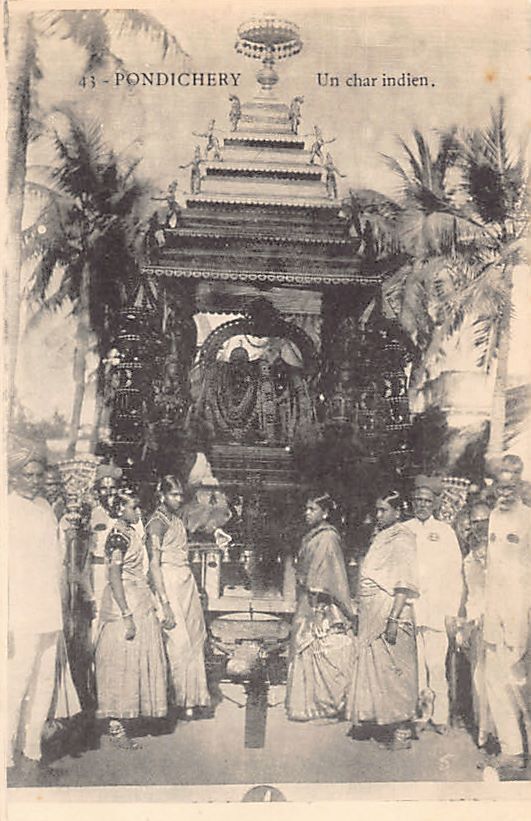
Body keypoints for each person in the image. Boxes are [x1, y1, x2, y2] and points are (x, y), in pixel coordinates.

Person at [7, 436, 80, 780]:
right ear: (14, 476)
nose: (35, 481)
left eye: (39, 475)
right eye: (29, 475)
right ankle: (4, 748)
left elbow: (56, 562)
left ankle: (32, 746)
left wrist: (67, 535)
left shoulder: (46, 509)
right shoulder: (6, 509)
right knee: (15, 682)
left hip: (49, 610)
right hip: (19, 613)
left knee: (44, 681)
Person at [94, 488, 167, 749]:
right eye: (133, 507)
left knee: (135, 660)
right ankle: (116, 726)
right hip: (123, 600)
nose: (138, 511)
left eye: (139, 507)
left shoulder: (132, 532)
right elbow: (114, 576)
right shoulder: (117, 536)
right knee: (120, 662)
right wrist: (126, 614)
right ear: (119, 509)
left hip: (140, 597)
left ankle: (130, 717)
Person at [346, 490, 419, 749]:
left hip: (391, 611)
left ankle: (402, 731)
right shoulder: (381, 536)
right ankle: (376, 720)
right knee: (374, 668)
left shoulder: (403, 538)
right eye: (376, 510)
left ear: (398, 512)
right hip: (371, 612)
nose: (378, 515)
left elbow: (404, 582)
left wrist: (393, 619)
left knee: (395, 672)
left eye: (383, 510)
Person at [286, 492, 356, 722]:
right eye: (306, 509)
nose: (307, 513)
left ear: (325, 513)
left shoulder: (327, 538)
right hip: (308, 599)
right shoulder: (313, 536)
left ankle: (324, 706)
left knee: (317, 646)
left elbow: (325, 577)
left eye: (312, 509)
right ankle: (307, 706)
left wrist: (318, 611)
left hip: (321, 603)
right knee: (304, 647)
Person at [146, 476, 211, 717]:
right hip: (169, 582)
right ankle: (180, 700)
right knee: (178, 641)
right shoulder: (156, 523)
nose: (179, 499)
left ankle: (194, 698)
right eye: (174, 494)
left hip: (185, 582)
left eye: (180, 495)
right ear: (162, 495)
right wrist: (164, 602)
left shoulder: (176, 519)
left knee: (194, 638)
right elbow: (154, 564)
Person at [405, 475, 463, 734]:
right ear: (412, 502)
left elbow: (455, 575)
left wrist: (451, 611)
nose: (422, 505)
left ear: (435, 503)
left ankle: (440, 716)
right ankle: (419, 716)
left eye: (427, 501)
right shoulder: (403, 530)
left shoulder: (445, 532)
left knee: (436, 666)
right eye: (418, 500)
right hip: (412, 609)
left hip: (438, 610)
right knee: (416, 666)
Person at [483, 467, 531, 771]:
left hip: (519, 611)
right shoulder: (493, 517)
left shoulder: (528, 518)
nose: (504, 493)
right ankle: (511, 750)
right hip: (493, 610)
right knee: (495, 681)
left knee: (520, 683)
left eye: (509, 487)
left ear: (520, 487)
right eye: (500, 488)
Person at [459, 502, 492, 747]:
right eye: (475, 522)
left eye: (484, 521)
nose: (479, 526)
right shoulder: (469, 560)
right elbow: (470, 595)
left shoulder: (503, 552)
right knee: (479, 680)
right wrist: (467, 625)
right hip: (477, 624)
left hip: (502, 623)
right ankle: (485, 733)